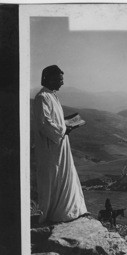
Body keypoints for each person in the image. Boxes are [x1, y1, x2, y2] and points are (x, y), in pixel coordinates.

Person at [33, 65, 88, 223]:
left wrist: (66, 125)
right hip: (51, 147)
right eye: (59, 79)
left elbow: (54, 121)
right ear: (49, 78)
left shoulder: (52, 96)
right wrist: (64, 128)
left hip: (60, 143)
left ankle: (70, 211)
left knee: (65, 175)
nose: (62, 83)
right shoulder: (42, 97)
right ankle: (55, 215)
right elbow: (44, 124)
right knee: (54, 177)